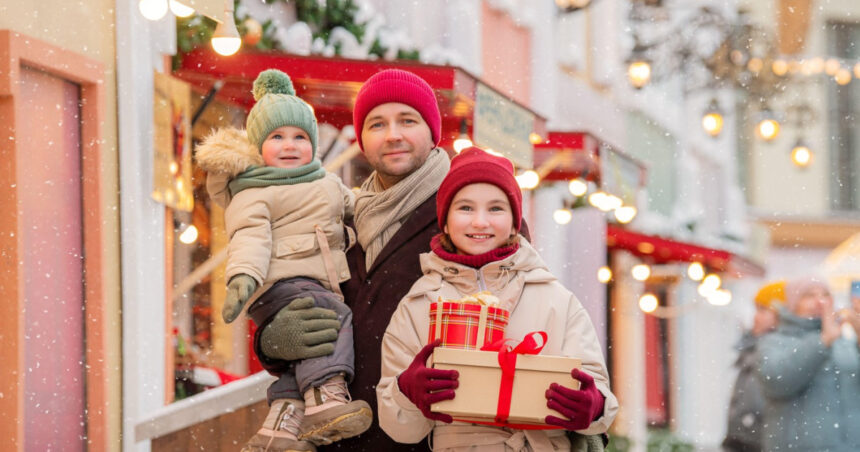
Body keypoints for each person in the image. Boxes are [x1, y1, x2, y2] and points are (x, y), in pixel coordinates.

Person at [376, 147, 618, 451]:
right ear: (446, 222)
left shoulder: (557, 299)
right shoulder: (417, 306)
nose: (480, 222)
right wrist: (406, 392)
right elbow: (399, 428)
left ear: (516, 223)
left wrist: (592, 405)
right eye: (465, 208)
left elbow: (601, 399)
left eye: (495, 209)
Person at [196, 69, 371, 452]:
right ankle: (326, 400)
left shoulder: (326, 181)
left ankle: (278, 431)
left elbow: (356, 209)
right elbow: (249, 237)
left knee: (299, 357)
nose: (289, 145)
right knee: (333, 319)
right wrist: (242, 278)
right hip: (279, 284)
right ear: (258, 147)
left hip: (310, 280)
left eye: (300, 137)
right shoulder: (256, 191)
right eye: (277, 137)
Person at [756, 276, 860, 452]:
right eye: (809, 295)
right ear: (792, 302)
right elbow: (776, 381)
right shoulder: (775, 341)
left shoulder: (844, 343)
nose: (820, 301)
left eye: (825, 294)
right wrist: (822, 341)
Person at [722, 281, 785, 452]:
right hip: (744, 439)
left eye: (763, 310)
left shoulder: (778, 352)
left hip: (758, 442)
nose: (756, 317)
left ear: (782, 314)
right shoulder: (752, 348)